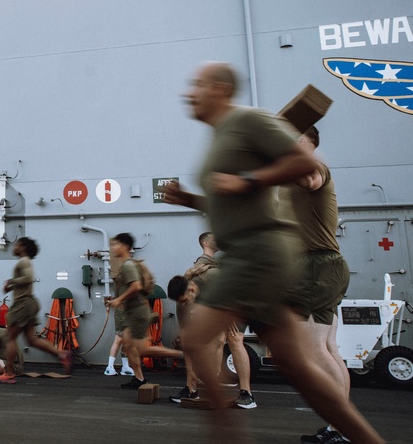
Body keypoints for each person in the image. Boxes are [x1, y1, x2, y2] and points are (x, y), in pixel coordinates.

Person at [163, 62, 382, 444]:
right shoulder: (221, 137)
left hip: (259, 252)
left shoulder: (248, 121)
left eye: (196, 85)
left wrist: (248, 178)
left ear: (219, 88)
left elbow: (305, 164)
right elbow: (229, 203)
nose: (189, 93)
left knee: (196, 339)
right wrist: (190, 200)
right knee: (297, 365)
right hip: (263, 253)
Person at [286, 127, 353, 444]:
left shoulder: (314, 167)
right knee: (328, 349)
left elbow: (310, 179)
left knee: (314, 351)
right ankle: (339, 427)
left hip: (318, 266)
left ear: (305, 142)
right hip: (321, 266)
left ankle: (341, 427)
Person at [171, 232, 257, 408]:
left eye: (187, 300)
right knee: (211, 340)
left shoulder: (211, 276)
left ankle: (246, 393)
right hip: (217, 305)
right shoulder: (183, 302)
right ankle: (192, 388)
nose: (186, 304)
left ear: (192, 290)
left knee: (234, 338)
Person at [106, 233, 182, 389]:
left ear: (125, 246)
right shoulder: (126, 264)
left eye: (116, 244)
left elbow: (136, 287)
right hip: (131, 313)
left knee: (143, 349)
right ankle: (139, 378)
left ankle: (185, 356)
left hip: (137, 313)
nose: (113, 247)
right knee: (128, 346)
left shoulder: (128, 265)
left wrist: (118, 300)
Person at [0, 237, 71, 384]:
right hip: (30, 302)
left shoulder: (24, 261)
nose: (13, 247)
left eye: (16, 245)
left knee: (10, 338)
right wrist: (12, 286)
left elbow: (29, 277)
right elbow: (25, 280)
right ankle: (62, 354)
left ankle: (9, 373)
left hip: (23, 304)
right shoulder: (25, 262)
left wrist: (10, 281)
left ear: (22, 247)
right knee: (32, 339)